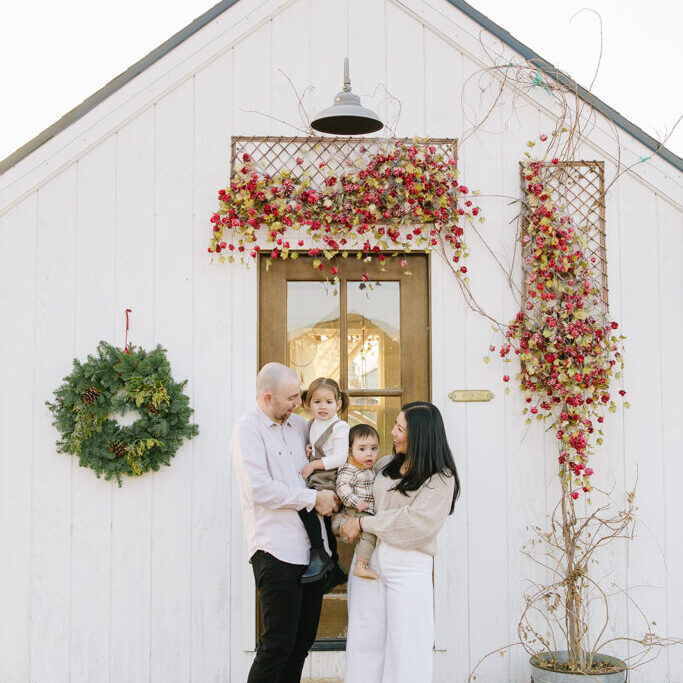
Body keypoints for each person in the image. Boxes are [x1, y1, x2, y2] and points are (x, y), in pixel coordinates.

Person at [231, 362, 340, 683]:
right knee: (277, 645)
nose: (298, 403)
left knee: (301, 644)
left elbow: (327, 454)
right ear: (268, 398)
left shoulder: (300, 426)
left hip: (314, 553)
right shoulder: (247, 430)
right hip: (275, 551)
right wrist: (312, 499)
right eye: (292, 397)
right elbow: (258, 488)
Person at [341, 401, 461, 683]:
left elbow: (415, 524)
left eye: (400, 428)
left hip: (408, 566)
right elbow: (358, 494)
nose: (392, 432)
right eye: (395, 425)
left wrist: (363, 524)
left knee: (408, 647)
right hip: (368, 561)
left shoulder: (441, 479)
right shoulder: (384, 464)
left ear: (419, 435)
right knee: (364, 642)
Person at [297, 377, 351, 584]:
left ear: (338, 404)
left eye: (328, 402)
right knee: (324, 523)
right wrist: (308, 450)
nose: (323, 406)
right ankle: (334, 563)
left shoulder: (339, 427)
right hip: (317, 475)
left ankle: (319, 552)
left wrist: (312, 464)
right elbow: (318, 447)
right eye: (317, 402)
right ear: (308, 404)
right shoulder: (311, 424)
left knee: (307, 505)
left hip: (329, 476)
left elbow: (339, 457)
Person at [335, 423, 380, 580]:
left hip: (363, 510)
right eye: (362, 449)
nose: (369, 454)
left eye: (374, 449)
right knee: (371, 535)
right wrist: (356, 501)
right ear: (350, 451)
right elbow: (342, 486)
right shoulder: (350, 469)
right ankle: (361, 565)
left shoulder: (368, 470)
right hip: (357, 509)